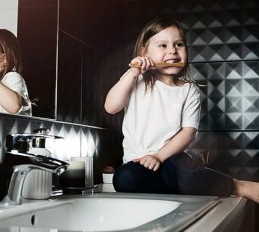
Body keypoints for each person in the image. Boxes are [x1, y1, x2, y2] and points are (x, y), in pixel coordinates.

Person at [104, 17, 259, 203]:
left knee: (183, 174)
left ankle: (238, 186)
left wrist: (158, 156)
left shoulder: (189, 91)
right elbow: (111, 107)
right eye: (162, 45)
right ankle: (179, 189)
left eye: (179, 44)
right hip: (138, 165)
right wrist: (132, 73)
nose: (172, 51)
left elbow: (188, 133)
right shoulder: (135, 80)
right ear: (144, 53)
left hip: (171, 159)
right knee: (123, 180)